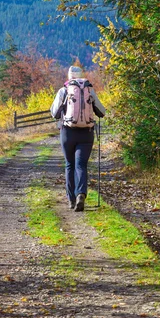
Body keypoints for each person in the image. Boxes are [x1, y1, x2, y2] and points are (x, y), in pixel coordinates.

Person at [50, 66, 106, 212]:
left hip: (68, 133)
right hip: (86, 133)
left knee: (70, 165)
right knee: (81, 165)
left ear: (69, 77)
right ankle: (81, 193)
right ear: (81, 76)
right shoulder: (89, 90)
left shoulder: (64, 90)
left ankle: (71, 199)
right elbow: (101, 112)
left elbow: (55, 113)